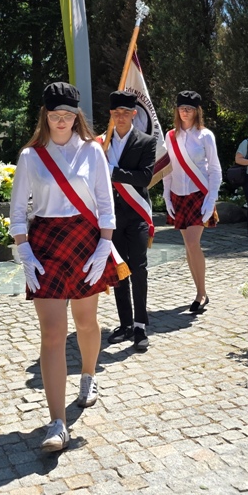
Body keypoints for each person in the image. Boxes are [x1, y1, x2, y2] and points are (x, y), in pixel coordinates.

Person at [9, 82, 121, 453]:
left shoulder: (92, 151)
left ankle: (88, 375)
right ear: (45, 115)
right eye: (55, 114)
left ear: (76, 116)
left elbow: (105, 203)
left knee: (86, 322)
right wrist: (24, 251)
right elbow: (17, 212)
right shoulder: (30, 156)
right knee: (53, 333)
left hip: (86, 241)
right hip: (46, 245)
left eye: (67, 115)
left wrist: (104, 245)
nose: (61, 121)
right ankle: (57, 422)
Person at [103, 91, 157, 351]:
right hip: (112, 216)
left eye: (126, 112)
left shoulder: (146, 141)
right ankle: (125, 324)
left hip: (137, 215)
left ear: (134, 114)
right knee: (119, 270)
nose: (121, 117)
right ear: (111, 115)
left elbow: (145, 177)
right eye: (116, 113)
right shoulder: (102, 143)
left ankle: (140, 325)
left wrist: (113, 172)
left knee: (139, 269)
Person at [161, 91, 221, 314]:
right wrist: (166, 195)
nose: (185, 112)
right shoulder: (170, 136)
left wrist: (211, 199)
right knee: (188, 245)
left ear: (197, 111)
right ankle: (199, 290)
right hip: (178, 194)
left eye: (189, 108)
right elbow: (167, 168)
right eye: (181, 108)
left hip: (199, 194)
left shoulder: (205, 136)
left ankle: (201, 293)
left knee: (193, 243)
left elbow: (215, 169)